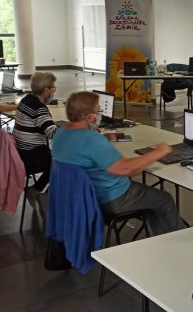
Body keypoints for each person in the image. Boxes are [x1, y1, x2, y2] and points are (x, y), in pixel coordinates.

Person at [52, 91, 185, 236]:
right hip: (110, 198)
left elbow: (82, 151)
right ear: (89, 117)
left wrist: (104, 139)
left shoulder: (61, 133)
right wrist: (158, 152)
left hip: (78, 197)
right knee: (164, 200)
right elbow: (125, 169)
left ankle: (160, 238)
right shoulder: (92, 140)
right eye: (98, 111)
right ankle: (178, 242)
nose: (99, 115)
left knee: (153, 202)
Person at [13, 72, 59, 208]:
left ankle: (40, 190)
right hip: (31, 154)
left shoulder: (26, 99)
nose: (53, 92)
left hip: (20, 151)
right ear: (46, 90)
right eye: (53, 88)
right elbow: (53, 134)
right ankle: (39, 192)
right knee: (64, 160)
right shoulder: (39, 108)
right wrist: (75, 128)